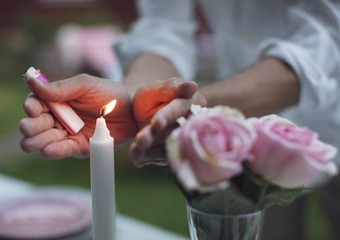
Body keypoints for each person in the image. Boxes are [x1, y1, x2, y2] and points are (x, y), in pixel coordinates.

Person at [20, 1, 340, 238]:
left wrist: (196, 109)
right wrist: (137, 95)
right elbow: (163, 28)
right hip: (244, 145)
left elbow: (328, 39)